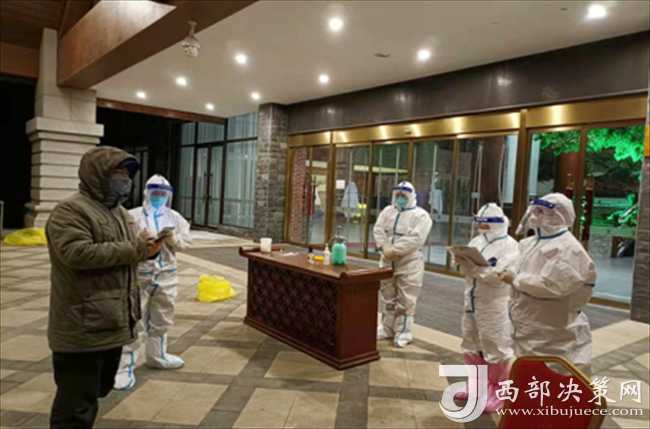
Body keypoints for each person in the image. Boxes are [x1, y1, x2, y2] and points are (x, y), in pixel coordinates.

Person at [46, 147, 161, 429]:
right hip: (82, 325)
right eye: (117, 172)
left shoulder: (120, 213)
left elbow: (132, 245)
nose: (124, 179)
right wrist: (137, 249)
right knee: (75, 405)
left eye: (127, 174)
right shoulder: (71, 210)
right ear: (97, 174)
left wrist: (149, 246)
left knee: (97, 389)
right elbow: (77, 253)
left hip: (111, 320)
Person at [499, 193, 596, 375]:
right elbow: (520, 269)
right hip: (529, 327)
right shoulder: (530, 243)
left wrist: (516, 279)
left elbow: (553, 286)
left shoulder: (568, 249)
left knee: (554, 376)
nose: (534, 216)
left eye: (541, 211)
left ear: (559, 216)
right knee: (530, 373)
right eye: (534, 210)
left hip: (553, 332)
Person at [114, 174, 192, 390]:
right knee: (134, 317)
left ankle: (157, 355)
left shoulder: (174, 218)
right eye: (155, 193)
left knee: (162, 315)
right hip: (140, 273)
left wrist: (172, 239)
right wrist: (139, 241)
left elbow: (186, 243)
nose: (158, 197)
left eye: (162, 194)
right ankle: (124, 367)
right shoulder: (132, 216)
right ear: (147, 193)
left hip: (167, 273)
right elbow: (118, 243)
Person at [453, 203, 518, 413]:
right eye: (479, 224)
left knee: (495, 346)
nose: (482, 228)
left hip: (494, 304)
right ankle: (477, 385)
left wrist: (475, 268)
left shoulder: (511, 246)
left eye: (486, 224)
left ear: (498, 224)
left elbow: (499, 278)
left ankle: (500, 391)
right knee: (470, 342)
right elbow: (466, 271)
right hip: (471, 301)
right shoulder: (477, 242)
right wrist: (461, 262)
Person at [374, 181, 432, 348]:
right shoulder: (387, 212)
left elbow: (416, 238)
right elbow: (378, 229)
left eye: (404, 196)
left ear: (411, 196)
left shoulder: (421, 216)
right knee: (387, 296)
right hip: (387, 260)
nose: (400, 198)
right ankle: (387, 328)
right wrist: (384, 247)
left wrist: (395, 250)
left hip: (409, 262)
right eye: (398, 195)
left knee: (406, 299)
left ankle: (403, 331)